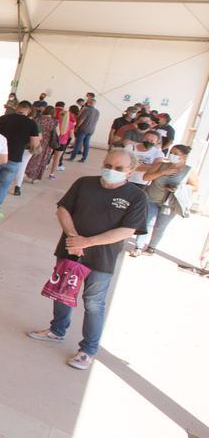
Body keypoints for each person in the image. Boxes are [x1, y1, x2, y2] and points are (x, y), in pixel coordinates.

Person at [27, 149, 149, 370]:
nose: (111, 171)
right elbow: (63, 209)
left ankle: (88, 350)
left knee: (94, 303)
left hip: (102, 259)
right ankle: (57, 330)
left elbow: (127, 230)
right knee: (62, 292)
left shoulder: (136, 197)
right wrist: (74, 238)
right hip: (71, 251)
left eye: (119, 168)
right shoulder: (84, 183)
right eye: (108, 165)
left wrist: (88, 242)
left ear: (130, 172)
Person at [134, 145, 198, 256]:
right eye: (171, 152)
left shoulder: (189, 171)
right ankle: (138, 247)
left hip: (170, 204)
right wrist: (163, 172)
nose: (172, 155)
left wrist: (179, 188)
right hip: (152, 198)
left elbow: (195, 187)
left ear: (184, 156)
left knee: (160, 227)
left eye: (176, 153)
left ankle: (151, 248)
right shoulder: (160, 165)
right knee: (148, 223)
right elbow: (146, 177)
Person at [0, 101, 41, 219]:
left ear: (17, 108)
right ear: (29, 110)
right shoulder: (31, 124)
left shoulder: (4, 118)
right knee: (4, 185)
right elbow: (35, 143)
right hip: (15, 158)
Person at [24, 106, 59, 182]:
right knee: (42, 160)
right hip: (47, 143)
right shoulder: (54, 122)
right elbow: (58, 133)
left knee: (32, 157)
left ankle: (26, 172)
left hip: (36, 140)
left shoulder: (38, 119)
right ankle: (35, 177)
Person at [70, 97, 99, 162]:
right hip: (91, 130)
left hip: (83, 129)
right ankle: (84, 158)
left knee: (78, 143)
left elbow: (81, 120)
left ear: (89, 103)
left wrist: (77, 127)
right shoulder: (97, 112)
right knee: (86, 144)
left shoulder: (86, 110)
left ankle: (72, 157)